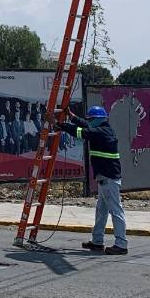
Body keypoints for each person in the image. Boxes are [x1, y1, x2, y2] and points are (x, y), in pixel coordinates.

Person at [56, 105, 127, 255]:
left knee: (116, 211)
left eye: (92, 119)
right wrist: (72, 116)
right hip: (104, 177)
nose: (90, 121)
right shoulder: (101, 128)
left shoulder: (101, 132)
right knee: (101, 211)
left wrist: (59, 125)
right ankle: (97, 241)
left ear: (99, 119)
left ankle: (121, 245)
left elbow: (82, 131)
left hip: (109, 178)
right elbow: (86, 125)